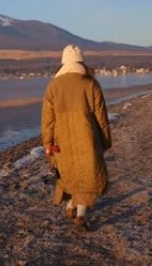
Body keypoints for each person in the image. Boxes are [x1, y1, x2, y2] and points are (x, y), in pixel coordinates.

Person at [41, 44, 112, 231]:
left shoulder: (54, 86)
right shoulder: (90, 84)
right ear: (82, 61)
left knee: (69, 173)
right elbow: (101, 117)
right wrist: (105, 141)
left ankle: (71, 205)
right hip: (89, 138)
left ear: (63, 62)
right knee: (87, 176)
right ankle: (80, 215)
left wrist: (48, 143)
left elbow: (48, 120)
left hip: (61, 140)